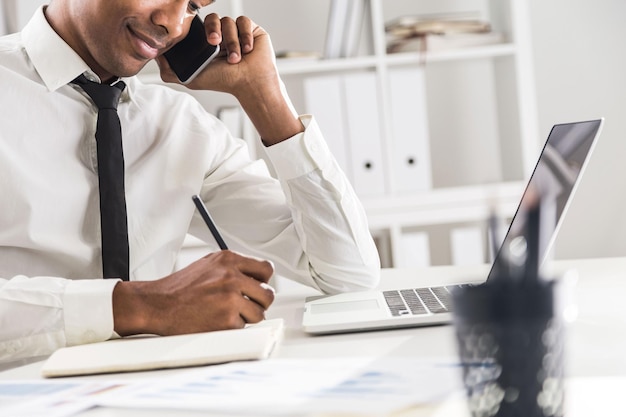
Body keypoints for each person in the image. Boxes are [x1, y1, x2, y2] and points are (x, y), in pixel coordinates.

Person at [0, 0, 380, 364]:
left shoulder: (181, 127)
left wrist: (264, 97)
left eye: (194, 7)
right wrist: (143, 305)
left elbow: (348, 273)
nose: (174, 24)